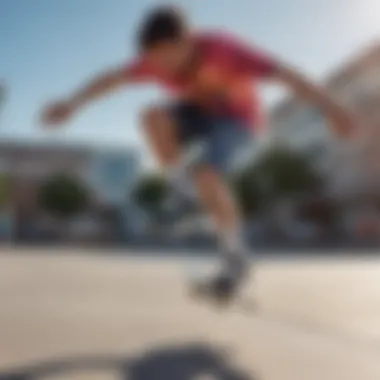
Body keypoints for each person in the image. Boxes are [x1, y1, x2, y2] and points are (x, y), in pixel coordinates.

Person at [42, 6, 355, 304]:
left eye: (168, 58)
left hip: (238, 120)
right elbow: (111, 79)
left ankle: (235, 255)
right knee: (152, 117)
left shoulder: (225, 50)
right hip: (195, 115)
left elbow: (287, 75)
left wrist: (332, 107)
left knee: (209, 174)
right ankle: (184, 190)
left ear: (187, 41)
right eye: (156, 60)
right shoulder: (153, 62)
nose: (163, 67)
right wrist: (72, 103)